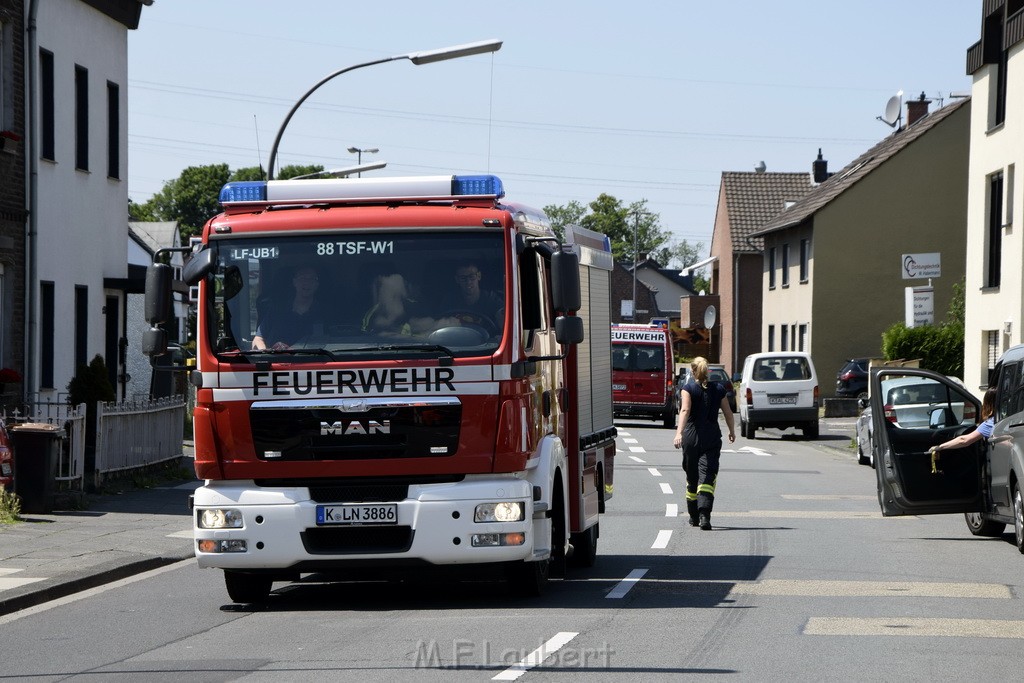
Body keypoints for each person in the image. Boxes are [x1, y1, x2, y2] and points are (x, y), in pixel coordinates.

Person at [673, 356, 736, 530]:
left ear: (693, 371)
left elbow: (685, 410)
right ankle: (704, 516)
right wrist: (732, 431)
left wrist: (679, 433)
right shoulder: (719, 388)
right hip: (711, 437)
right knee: (707, 476)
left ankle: (693, 516)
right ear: (707, 371)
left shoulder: (688, 389)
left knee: (692, 477)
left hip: (691, 437)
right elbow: (728, 413)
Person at [252, 266, 323, 350]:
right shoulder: (276, 310)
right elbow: (258, 339)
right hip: (279, 361)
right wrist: (264, 355)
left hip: (318, 360)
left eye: (312, 278)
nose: (307, 282)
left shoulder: (326, 313)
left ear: (317, 284)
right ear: (294, 282)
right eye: (302, 278)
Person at [928, 387, 997, 472]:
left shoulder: (990, 423)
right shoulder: (1002, 419)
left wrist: (940, 447)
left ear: (987, 404)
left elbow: (964, 440)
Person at [440, 261, 503, 330]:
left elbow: (502, 319)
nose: (468, 282)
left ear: (479, 276)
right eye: (463, 278)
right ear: (457, 280)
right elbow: (441, 324)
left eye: (472, 277)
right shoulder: (450, 300)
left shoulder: (492, 299)